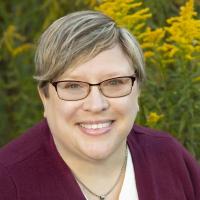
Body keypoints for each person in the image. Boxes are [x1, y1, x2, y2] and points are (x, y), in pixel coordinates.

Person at [0, 10, 200, 200]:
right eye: (73, 86)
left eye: (114, 83)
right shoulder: (7, 183)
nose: (96, 105)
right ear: (45, 97)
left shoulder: (169, 157)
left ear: (137, 90)